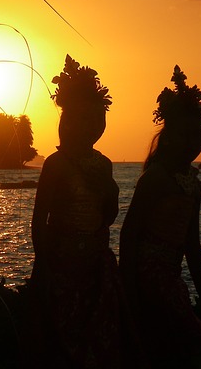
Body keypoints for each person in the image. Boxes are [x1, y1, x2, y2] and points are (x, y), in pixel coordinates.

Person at [27, 55, 136, 368]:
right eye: (82, 119)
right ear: (66, 120)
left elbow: (108, 216)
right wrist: (44, 265)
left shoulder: (103, 164)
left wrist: (110, 191)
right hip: (60, 260)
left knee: (100, 337)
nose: (91, 128)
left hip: (96, 265)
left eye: (98, 121)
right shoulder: (55, 164)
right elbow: (39, 220)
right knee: (59, 339)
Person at [120, 65, 201, 369]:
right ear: (170, 135)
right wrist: (129, 289)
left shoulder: (193, 184)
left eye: (198, 134)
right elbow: (129, 234)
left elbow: (193, 244)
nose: (192, 141)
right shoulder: (156, 179)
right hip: (147, 277)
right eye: (185, 134)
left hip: (171, 278)